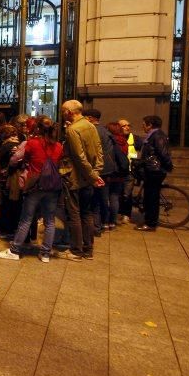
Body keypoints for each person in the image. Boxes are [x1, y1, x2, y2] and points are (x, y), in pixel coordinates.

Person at [0, 115, 63, 263]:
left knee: (26, 218)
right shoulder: (58, 146)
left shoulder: (32, 143)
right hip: (53, 186)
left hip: (35, 184)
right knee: (49, 220)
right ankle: (45, 253)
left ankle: (15, 250)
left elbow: (17, 159)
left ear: (37, 128)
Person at [61, 100, 104, 260]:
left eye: (63, 111)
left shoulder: (73, 130)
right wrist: (96, 173)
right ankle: (88, 249)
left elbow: (79, 157)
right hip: (89, 177)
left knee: (74, 214)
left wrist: (93, 175)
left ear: (69, 112)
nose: (62, 113)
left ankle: (76, 250)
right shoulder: (90, 125)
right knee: (87, 213)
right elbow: (99, 150)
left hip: (76, 178)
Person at [135, 115, 173, 231]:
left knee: (152, 197)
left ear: (150, 125)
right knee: (149, 196)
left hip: (154, 171)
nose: (142, 126)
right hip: (151, 170)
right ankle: (148, 219)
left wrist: (168, 166)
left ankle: (151, 223)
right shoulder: (153, 135)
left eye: (144, 124)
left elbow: (163, 153)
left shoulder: (157, 136)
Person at [85, 108, 117, 235]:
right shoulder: (105, 131)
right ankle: (105, 223)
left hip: (97, 170)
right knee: (103, 198)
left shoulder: (93, 130)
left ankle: (96, 227)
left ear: (91, 118)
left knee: (94, 200)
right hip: (107, 169)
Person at [105, 121, 130, 231]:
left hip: (109, 173)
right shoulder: (124, 141)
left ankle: (105, 221)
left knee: (105, 198)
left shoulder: (110, 141)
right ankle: (113, 222)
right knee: (115, 198)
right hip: (120, 174)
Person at [118, 118, 143, 223]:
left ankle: (126, 214)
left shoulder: (136, 139)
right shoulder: (115, 138)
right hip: (119, 170)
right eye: (124, 126)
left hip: (130, 171)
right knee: (118, 193)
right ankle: (119, 212)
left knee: (127, 194)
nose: (127, 127)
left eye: (128, 125)